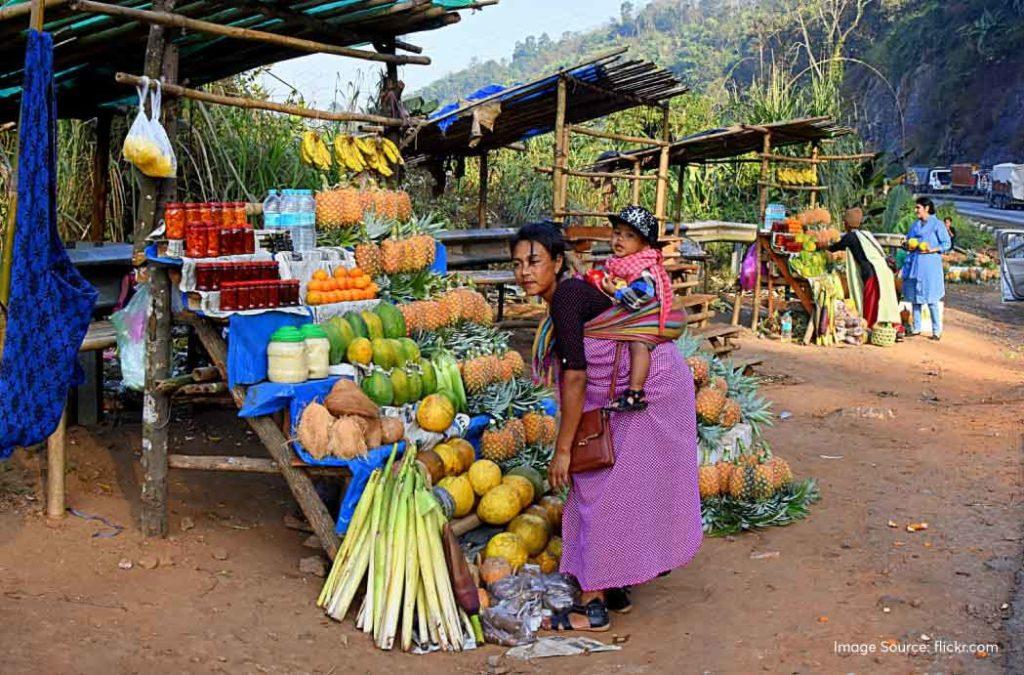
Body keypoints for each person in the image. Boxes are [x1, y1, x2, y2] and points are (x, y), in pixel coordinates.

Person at [511, 222, 702, 632]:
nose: (525, 271)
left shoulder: (565, 297)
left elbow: (576, 377)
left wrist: (563, 449)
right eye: (517, 264)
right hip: (639, 387)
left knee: (593, 486)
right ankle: (615, 583)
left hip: (646, 389)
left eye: (534, 261)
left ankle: (592, 605)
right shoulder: (570, 294)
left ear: (557, 262)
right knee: (614, 484)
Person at [589, 205, 675, 412]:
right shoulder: (618, 263)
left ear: (644, 244)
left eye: (629, 236)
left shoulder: (643, 268)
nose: (620, 239)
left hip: (645, 319)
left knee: (638, 344)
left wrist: (616, 293)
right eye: (617, 233)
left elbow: (642, 295)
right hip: (630, 316)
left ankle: (635, 392)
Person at [827, 207, 900, 328]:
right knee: (886, 301)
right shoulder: (866, 234)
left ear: (846, 223)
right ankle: (891, 326)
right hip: (884, 271)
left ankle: (870, 326)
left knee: (872, 302)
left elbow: (833, 248)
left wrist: (820, 245)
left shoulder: (849, 237)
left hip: (873, 272)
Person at [901, 197, 952, 340]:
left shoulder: (937, 224)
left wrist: (932, 249)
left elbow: (946, 244)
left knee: (932, 299)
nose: (915, 210)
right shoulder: (915, 225)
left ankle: (936, 331)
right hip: (914, 263)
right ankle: (916, 328)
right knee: (915, 298)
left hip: (930, 265)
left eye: (918, 207)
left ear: (927, 208)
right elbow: (908, 239)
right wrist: (907, 245)